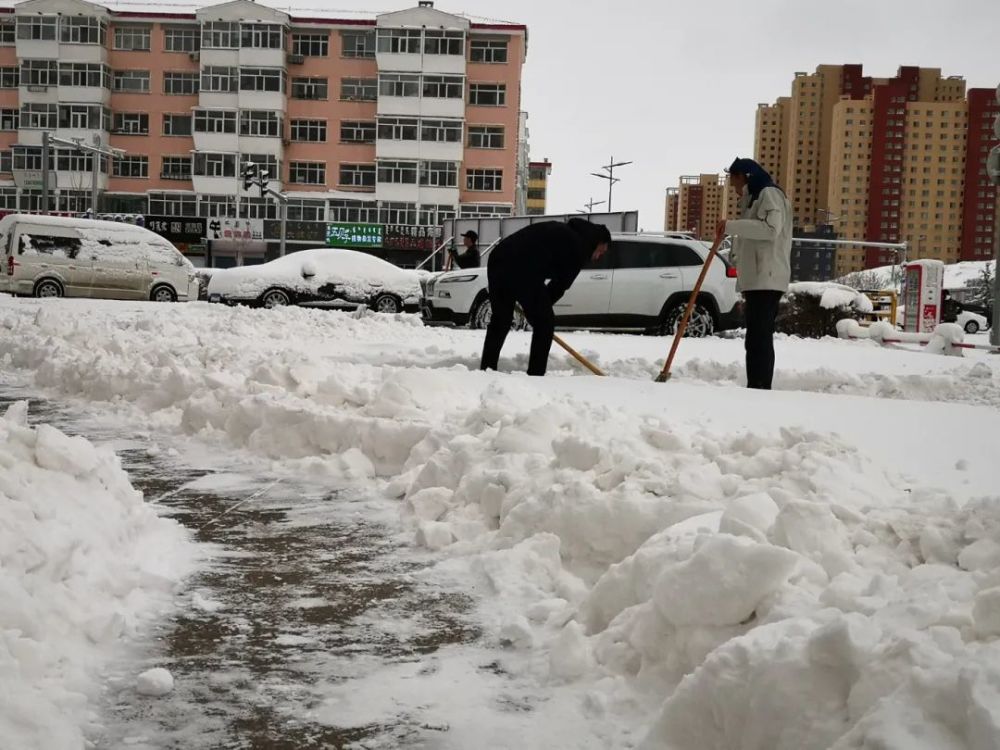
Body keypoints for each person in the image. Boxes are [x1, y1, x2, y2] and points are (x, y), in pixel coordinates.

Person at [480, 218, 611, 376]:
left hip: (498, 259)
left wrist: (534, 308)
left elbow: (538, 258)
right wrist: (538, 312)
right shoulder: (579, 248)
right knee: (545, 323)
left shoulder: (563, 232)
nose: (598, 257)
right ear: (597, 242)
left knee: (501, 319)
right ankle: (536, 375)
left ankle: (486, 370)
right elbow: (559, 285)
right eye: (601, 252)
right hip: (523, 268)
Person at [716, 157, 792, 390]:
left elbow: (770, 230)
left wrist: (730, 226)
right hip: (756, 277)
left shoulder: (769, 193)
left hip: (767, 276)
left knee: (760, 337)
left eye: (734, 181)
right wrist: (735, 255)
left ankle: (760, 387)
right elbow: (749, 235)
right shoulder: (752, 198)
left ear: (744, 176)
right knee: (754, 338)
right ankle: (756, 384)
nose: (734, 188)